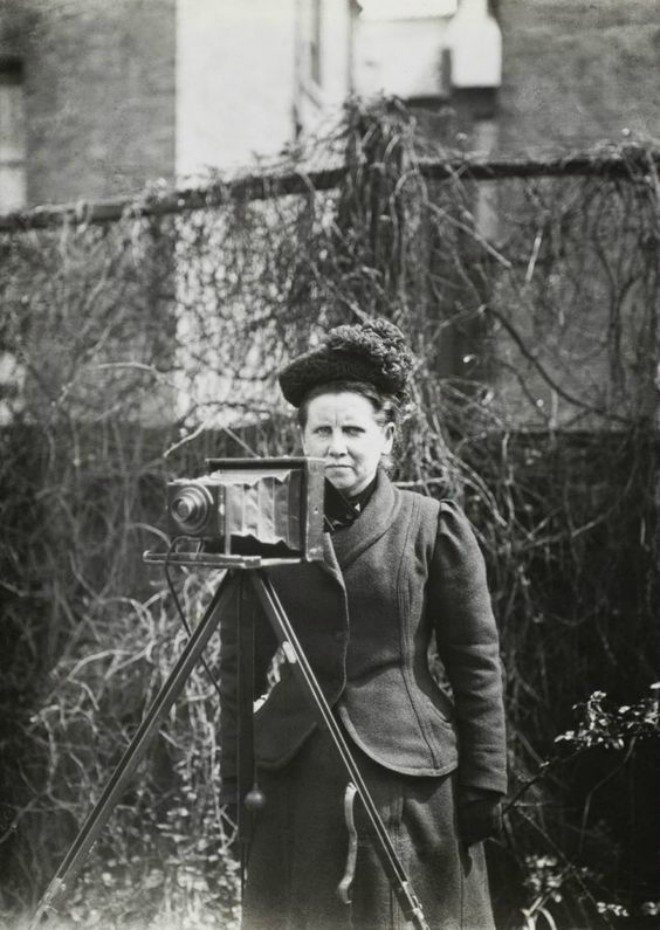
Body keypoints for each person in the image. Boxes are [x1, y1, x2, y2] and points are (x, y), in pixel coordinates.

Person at [219, 318, 507, 930]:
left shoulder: (433, 528)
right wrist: (234, 776)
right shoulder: (268, 529)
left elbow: (476, 665)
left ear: (389, 437)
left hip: (410, 782)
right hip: (293, 782)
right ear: (301, 439)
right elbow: (237, 669)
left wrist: (485, 783)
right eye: (321, 430)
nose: (337, 446)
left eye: (354, 429)